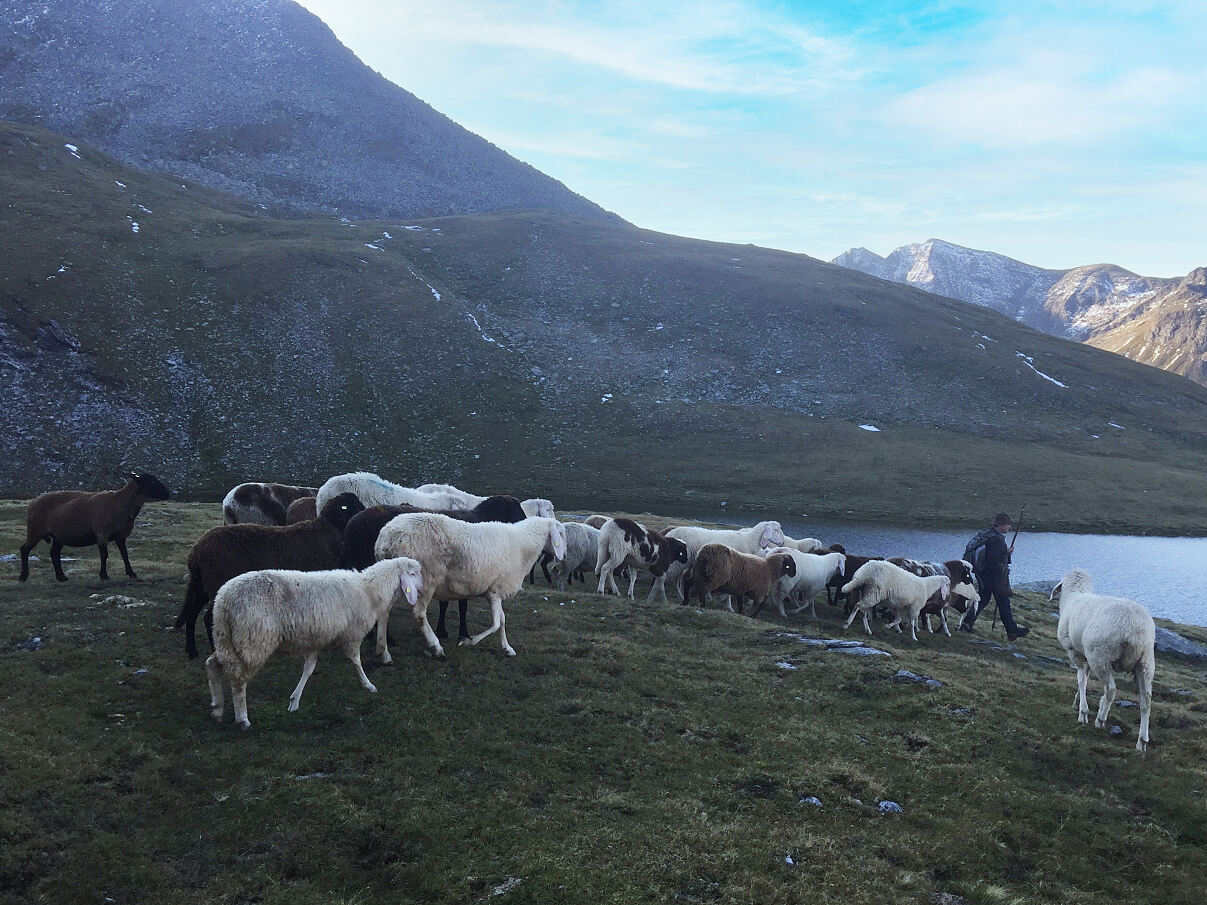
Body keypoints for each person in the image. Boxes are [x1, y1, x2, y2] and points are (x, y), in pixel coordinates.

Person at [961, 512, 1030, 641]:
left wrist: (1005, 553)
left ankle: (967, 623)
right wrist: (1005, 560)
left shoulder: (988, 534)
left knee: (983, 600)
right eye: (1008, 525)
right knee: (1003, 601)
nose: (1009, 528)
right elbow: (994, 562)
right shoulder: (997, 539)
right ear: (1001, 525)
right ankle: (1012, 631)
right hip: (993, 577)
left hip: (982, 574)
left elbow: (991, 557)